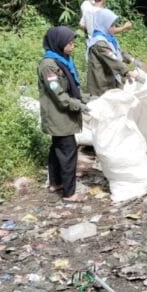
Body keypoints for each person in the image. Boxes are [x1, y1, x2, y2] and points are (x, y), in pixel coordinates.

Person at [39, 26, 87, 202]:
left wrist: (87, 98)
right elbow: (58, 93)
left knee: (57, 149)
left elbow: (72, 88)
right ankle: (69, 193)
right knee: (67, 151)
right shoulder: (48, 66)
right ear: (58, 43)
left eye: (73, 42)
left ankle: (55, 182)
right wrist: (79, 105)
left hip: (62, 113)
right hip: (58, 115)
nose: (72, 46)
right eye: (69, 43)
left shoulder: (63, 61)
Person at [85, 0, 143, 96]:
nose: (115, 27)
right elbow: (113, 59)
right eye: (112, 25)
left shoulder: (107, 37)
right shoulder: (99, 43)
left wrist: (132, 60)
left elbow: (117, 52)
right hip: (101, 84)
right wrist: (128, 73)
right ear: (104, 23)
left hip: (109, 79)